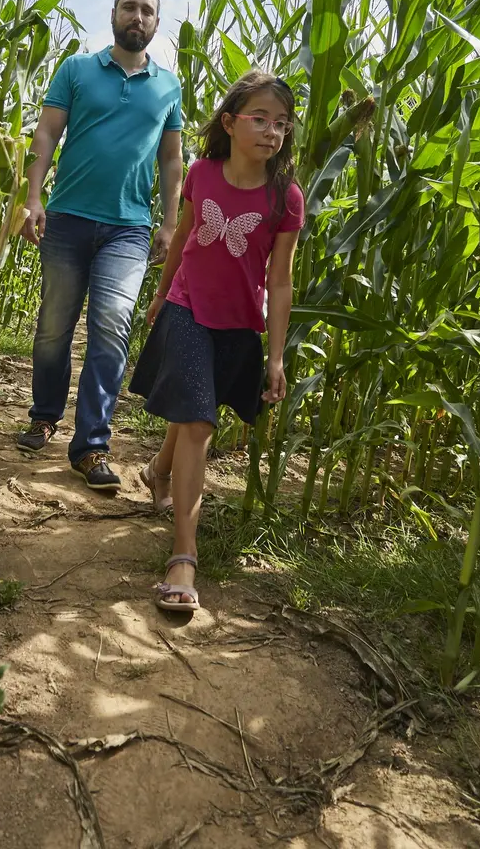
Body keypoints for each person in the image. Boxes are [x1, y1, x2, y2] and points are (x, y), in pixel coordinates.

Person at [128, 71, 303, 611]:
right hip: (186, 308)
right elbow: (182, 237)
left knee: (191, 413)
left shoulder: (285, 197)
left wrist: (275, 356)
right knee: (200, 421)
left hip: (238, 322)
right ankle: (184, 555)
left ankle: (159, 470)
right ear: (229, 123)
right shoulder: (202, 173)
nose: (271, 131)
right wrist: (160, 295)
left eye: (281, 123)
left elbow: (279, 279)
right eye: (259, 119)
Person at [16, 0, 183, 492]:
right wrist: (33, 196)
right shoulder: (77, 70)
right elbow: (46, 133)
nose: (138, 17)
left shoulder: (168, 85)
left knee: (111, 325)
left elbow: (172, 158)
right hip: (66, 217)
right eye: (129, 8)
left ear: (156, 23)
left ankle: (91, 445)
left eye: (147, 11)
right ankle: (44, 415)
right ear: (113, 13)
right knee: (53, 328)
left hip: (129, 228)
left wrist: (171, 222)